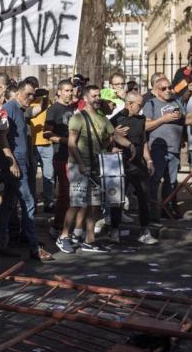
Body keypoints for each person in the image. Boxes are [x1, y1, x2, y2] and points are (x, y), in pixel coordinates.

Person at [55, 85, 134, 254]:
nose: (97, 98)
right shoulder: (78, 118)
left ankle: (90, 240)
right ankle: (63, 236)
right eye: (94, 96)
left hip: (96, 165)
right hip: (78, 166)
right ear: (85, 98)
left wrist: (130, 145)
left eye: (99, 95)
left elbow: (114, 135)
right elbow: (71, 144)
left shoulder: (102, 118)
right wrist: (81, 165)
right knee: (76, 204)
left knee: (94, 205)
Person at [0, 79, 53, 262]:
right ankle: (34, 247)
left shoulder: (20, 110)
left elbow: (40, 109)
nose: (31, 98)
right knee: (28, 203)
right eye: (28, 94)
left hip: (20, 163)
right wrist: (12, 162)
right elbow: (0, 136)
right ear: (18, 93)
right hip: (15, 164)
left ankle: (0, 244)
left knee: (7, 205)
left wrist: (44, 97)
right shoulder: (9, 108)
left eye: (33, 95)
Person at [109, 93, 157, 245]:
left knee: (144, 196)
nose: (141, 108)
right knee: (117, 199)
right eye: (139, 105)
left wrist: (149, 160)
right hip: (120, 164)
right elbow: (105, 140)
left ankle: (144, 231)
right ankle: (114, 230)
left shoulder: (141, 119)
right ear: (129, 104)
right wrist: (113, 136)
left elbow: (143, 142)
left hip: (138, 164)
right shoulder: (115, 120)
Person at [143, 76, 185, 220]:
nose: (168, 90)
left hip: (175, 148)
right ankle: (152, 212)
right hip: (158, 149)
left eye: (170, 87)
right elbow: (145, 125)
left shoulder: (176, 101)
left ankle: (166, 210)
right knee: (155, 180)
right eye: (164, 88)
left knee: (171, 182)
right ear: (156, 90)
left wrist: (181, 116)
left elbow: (185, 118)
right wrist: (163, 119)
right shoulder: (151, 104)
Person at [45, 80, 75, 236]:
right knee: (64, 193)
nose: (69, 93)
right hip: (61, 156)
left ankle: (69, 225)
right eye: (66, 90)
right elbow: (47, 133)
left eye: (71, 90)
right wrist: (64, 140)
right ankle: (56, 226)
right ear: (59, 92)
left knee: (74, 193)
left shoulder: (72, 108)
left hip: (74, 155)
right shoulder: (54, 109)